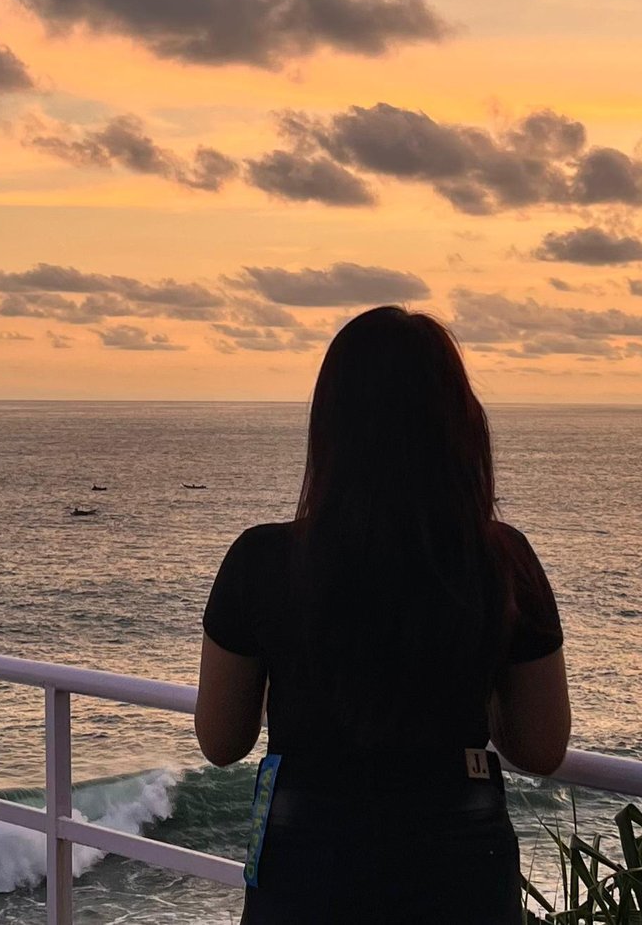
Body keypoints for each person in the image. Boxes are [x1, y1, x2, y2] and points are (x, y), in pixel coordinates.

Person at [196, 305, 572, 924]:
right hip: (459, 862)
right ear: (459, 424)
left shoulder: (261, 560)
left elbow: (221, 740)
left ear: (329, 426)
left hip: (309, 864)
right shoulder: (502, 560)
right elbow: (541, 746)